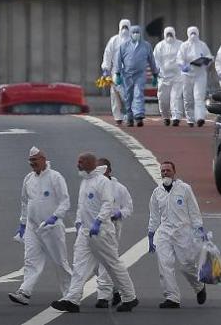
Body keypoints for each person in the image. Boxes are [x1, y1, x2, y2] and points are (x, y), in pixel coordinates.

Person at [50, 153, 138, 313]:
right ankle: (72, 299)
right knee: (79, 266)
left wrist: (99, 221)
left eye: (81, 161)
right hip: (85, 232)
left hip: (102, 232)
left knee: (112, 265)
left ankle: (130, 297)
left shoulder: (102, 182)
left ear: (91, 163)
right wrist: (78, 222)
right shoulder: (85, 181)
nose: (78, 164)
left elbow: (107, 203)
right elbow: (82, 205)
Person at [8, 146, 72, 305]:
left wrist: (55, 217)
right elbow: (24, 202)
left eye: (35, 160)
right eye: (30, 161)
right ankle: (25, 292)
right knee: (30, 260)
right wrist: (22, 223)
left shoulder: (55, 177)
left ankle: (70, 294)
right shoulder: (28, 179)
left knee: (60, 262)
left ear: (43, 159)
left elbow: (65, 202)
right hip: (32, 227)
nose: (32, 164)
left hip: (52, 227)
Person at [148, 161, 207, 309]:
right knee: (164, 264)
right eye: (163, 171)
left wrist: (199, 229)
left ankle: (199, 286)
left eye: (168, 170)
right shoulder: (157, 192)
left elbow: (194, 211)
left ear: (174, 172)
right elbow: (154, 215)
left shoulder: (185, 189)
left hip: (183, 232)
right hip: (164, 233)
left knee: (186, 265)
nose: (165, 173)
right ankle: (172, 297)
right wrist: (151, 233)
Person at [94, 158, 133, 309]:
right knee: (94, 262)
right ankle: (116, 289)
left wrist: (118, 214)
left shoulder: (119, 188)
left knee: (107, 258)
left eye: (101, 169)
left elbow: (128, 208)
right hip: (95, 226)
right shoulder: (93, 185)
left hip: (112, 226)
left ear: (109, 170)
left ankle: (103, 296)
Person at [116, 25, 159, 127]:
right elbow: (119, 60)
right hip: (127, 74)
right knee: (128, 96)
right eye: (134, 32)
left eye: (138, 32)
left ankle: (139, 115)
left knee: (138, 93)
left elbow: (151, 60)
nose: (136, 34)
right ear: (130, 34)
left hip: (140, 74)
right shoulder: (124, 46)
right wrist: (118, 74)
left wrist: (155, 74)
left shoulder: (146, 46)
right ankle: (129, 117)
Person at [177, 26, 213, 128]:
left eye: (195, 33)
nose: (193, 35)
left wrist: (206, 61)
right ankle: (190, 118)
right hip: (187, 75)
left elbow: (209, 56)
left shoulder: (202, 45)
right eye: (191, 33)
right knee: (188, 98)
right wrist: (183, 66)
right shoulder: (184, 46)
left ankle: (200, 118)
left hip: (200, 74)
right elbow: (179, 58)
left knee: (199, 97)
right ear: (188, 34)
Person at [101, 19, 131, 125]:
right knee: (115, 94)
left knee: (127, 94)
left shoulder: (133, 41)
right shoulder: (114, 40)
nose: (124, 29)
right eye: (123, 27)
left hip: (129, 72)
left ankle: (129, 114)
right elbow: (107, 54)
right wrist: (106, 69)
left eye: (126, 27)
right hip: (116, 71)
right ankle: (118, 116)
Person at [153, 27, 185, 126]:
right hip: (164, 77)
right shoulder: (160, 46)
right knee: (163, 98)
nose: (169, 36)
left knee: (175, 97)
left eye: (171, 34)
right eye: (168, 34)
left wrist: (184, 67)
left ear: (174, 34)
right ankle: (166, 116)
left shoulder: (181, 45)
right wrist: (157, 70)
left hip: (177, 76)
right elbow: (155, 59)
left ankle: (176, 117)